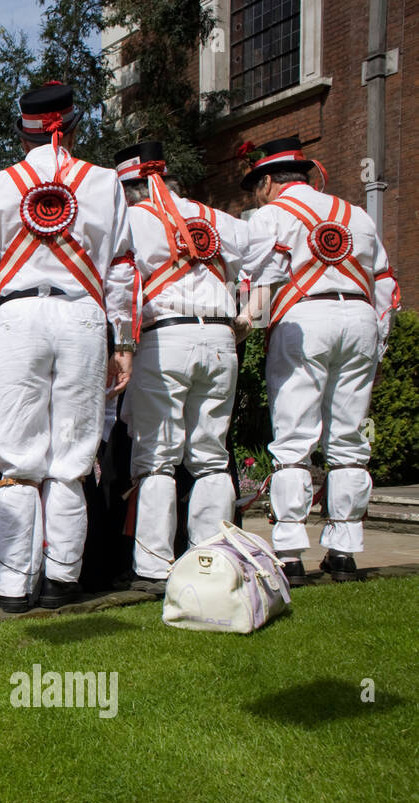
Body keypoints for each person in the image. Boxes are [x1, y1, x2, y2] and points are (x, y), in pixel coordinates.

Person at [0, 82, 137, 612]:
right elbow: (122, 269)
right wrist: (121, 340)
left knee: (17, 459)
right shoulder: (104, 184)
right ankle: (61, 581)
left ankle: (11, 587)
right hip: (83, 315)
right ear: (73, 129)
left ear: (21, 134)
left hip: (18, 318)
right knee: (72, 456)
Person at [114, 140, 280, 592]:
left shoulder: (129, 219)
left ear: (133, 187)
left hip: (165, 337)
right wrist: (252, 317)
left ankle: (153, 567)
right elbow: (270, 249)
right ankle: (211, 559)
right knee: (210, 458)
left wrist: (119, 342)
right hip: (220, 337)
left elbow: (117, 281)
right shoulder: (210, 216)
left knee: (156, 460)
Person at [239, 135, 399, 584]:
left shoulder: (270, 215)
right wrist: (379, 346)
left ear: (269, 182)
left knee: (293, 439)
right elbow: (385, 284)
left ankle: (289, 551)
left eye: (256, 185)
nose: (255, 194)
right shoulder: (358, 216)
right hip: (362, 318)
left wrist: (248, 323)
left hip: (305, 320)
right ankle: (344, 552)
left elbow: (263, 277)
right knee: (348, 441)